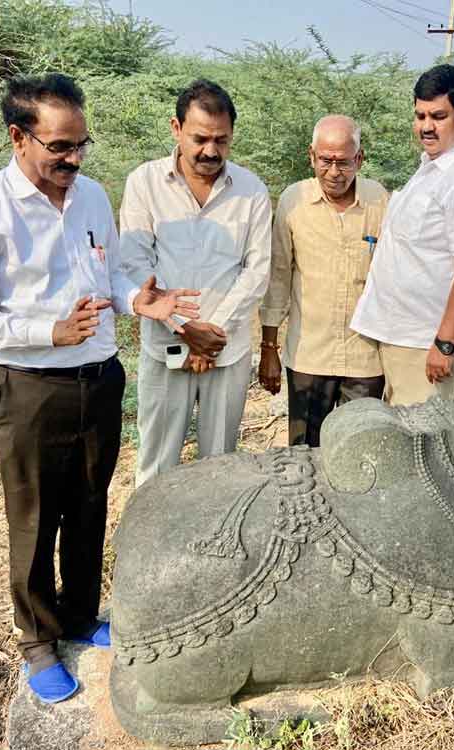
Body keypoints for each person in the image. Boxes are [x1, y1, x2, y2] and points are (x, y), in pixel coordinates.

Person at [0, 73, 200, 702]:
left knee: (88, 504)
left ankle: (82, 615)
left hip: (99, 376)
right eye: (59, 147)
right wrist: (48, 331)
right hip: (30, 386)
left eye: (81, 145)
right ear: (17, 136)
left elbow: (105, 276)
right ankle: (38, 639)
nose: (73, 160)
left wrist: (143, 300)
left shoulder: (90, 198)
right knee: (34, 516)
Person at [118, 79, 273, 485]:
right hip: (165, 344)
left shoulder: (252, 190)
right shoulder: (145, 183)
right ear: (176, 129)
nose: (210, 150)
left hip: (228, 348)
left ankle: (213, 547)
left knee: (220, 465)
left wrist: (211, 333)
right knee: (157, 461)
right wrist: (186, 330)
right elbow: (136, 264)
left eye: (221, 140)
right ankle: (149, 546)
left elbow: (256, 272)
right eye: (200, 138)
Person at [349, 64, 454, 405]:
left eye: (438, 116)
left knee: (419, 447)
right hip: (400, 336)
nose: (426, 127)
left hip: (426, 344)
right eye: (420, 116)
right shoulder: (432, 167)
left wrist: (444, 343)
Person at [257, 115, 389, 446]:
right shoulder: (293, 201)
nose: (334, 172)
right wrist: (269, 349)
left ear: (359, 159)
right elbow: (278, 278)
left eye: (343, 162)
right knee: (304, 456)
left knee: (360, 455)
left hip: (365, 359)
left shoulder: (380, 201)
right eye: (326, 161)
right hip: (309, 357)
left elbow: (392, 281)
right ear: (311, 156)